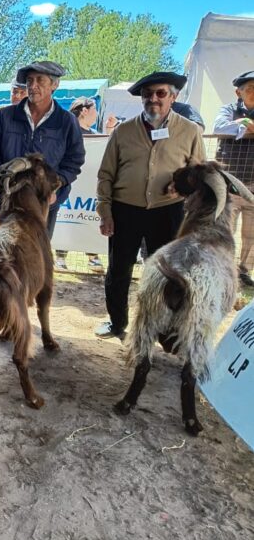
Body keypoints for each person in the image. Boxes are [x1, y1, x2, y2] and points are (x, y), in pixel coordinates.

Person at [94, 71, 205, 339]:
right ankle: (117, 322)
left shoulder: (189, 131)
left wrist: (182, 186)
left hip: (168, 212)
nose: (153, 99)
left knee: (165, 273)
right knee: (119, 270)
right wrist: (105, 212)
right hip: (125, 211)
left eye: (160, 93)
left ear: (173, 97)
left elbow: (199, 173)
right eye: (147, 94)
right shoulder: (123, 131)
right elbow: (106, 175)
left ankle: (162, 328)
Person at [0, 61, 85, 240]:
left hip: (44, 203)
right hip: (8, 199)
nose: (33, 86)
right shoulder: (6, 116)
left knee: (33, 260)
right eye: (29, 80)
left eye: (39, 80)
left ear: (54, 84)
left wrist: (55, 186)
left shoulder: (67, 121)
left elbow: (74, 161)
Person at [214, 70, 254, 287]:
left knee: (252, 233)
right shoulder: (228, 110)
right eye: (250, 88)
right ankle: (224, 269)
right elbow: (218, 127)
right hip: (230, 184)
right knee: (226, 230)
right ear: (238, 92)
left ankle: (244, 271)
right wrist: (245, 122)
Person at [55, 97, 104, 272]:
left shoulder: (96, 134)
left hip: (89, 186)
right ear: (84, 110)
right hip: (68, 184)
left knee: (88, 217)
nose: (96, 113)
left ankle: (93, 256)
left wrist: (110, 131)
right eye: (94, 109)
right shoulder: (66, 131)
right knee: (66, 219)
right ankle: (60, 257)